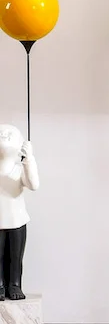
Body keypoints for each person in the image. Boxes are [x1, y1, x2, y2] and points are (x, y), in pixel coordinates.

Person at [0, 125, 39, 301]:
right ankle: (0, 285)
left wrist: (29, 159)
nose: (3, 135)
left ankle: (14, 284)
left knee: (15, 257)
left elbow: (33, 185)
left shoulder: (19, 169)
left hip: (17, 221)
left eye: (8, 135)